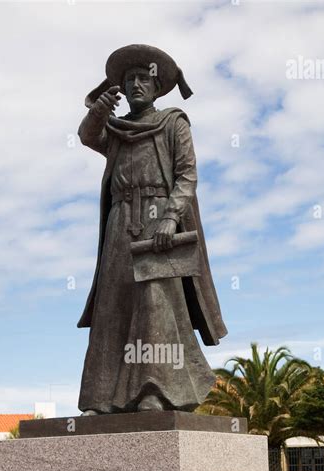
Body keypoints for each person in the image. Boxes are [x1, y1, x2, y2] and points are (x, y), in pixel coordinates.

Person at [77, 44, 227, 414]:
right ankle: (101, 397)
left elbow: (187, 175)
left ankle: (155, 391)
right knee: (113, 306)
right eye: (129, 80)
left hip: (159, 219)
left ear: (156, 85)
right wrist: (98, 110)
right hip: (120, 221)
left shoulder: (173, 122)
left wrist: (171, 217)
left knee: (156, 305)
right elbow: (86, 136)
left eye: (143, 78)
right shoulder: (117, 130)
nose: (136, 85)